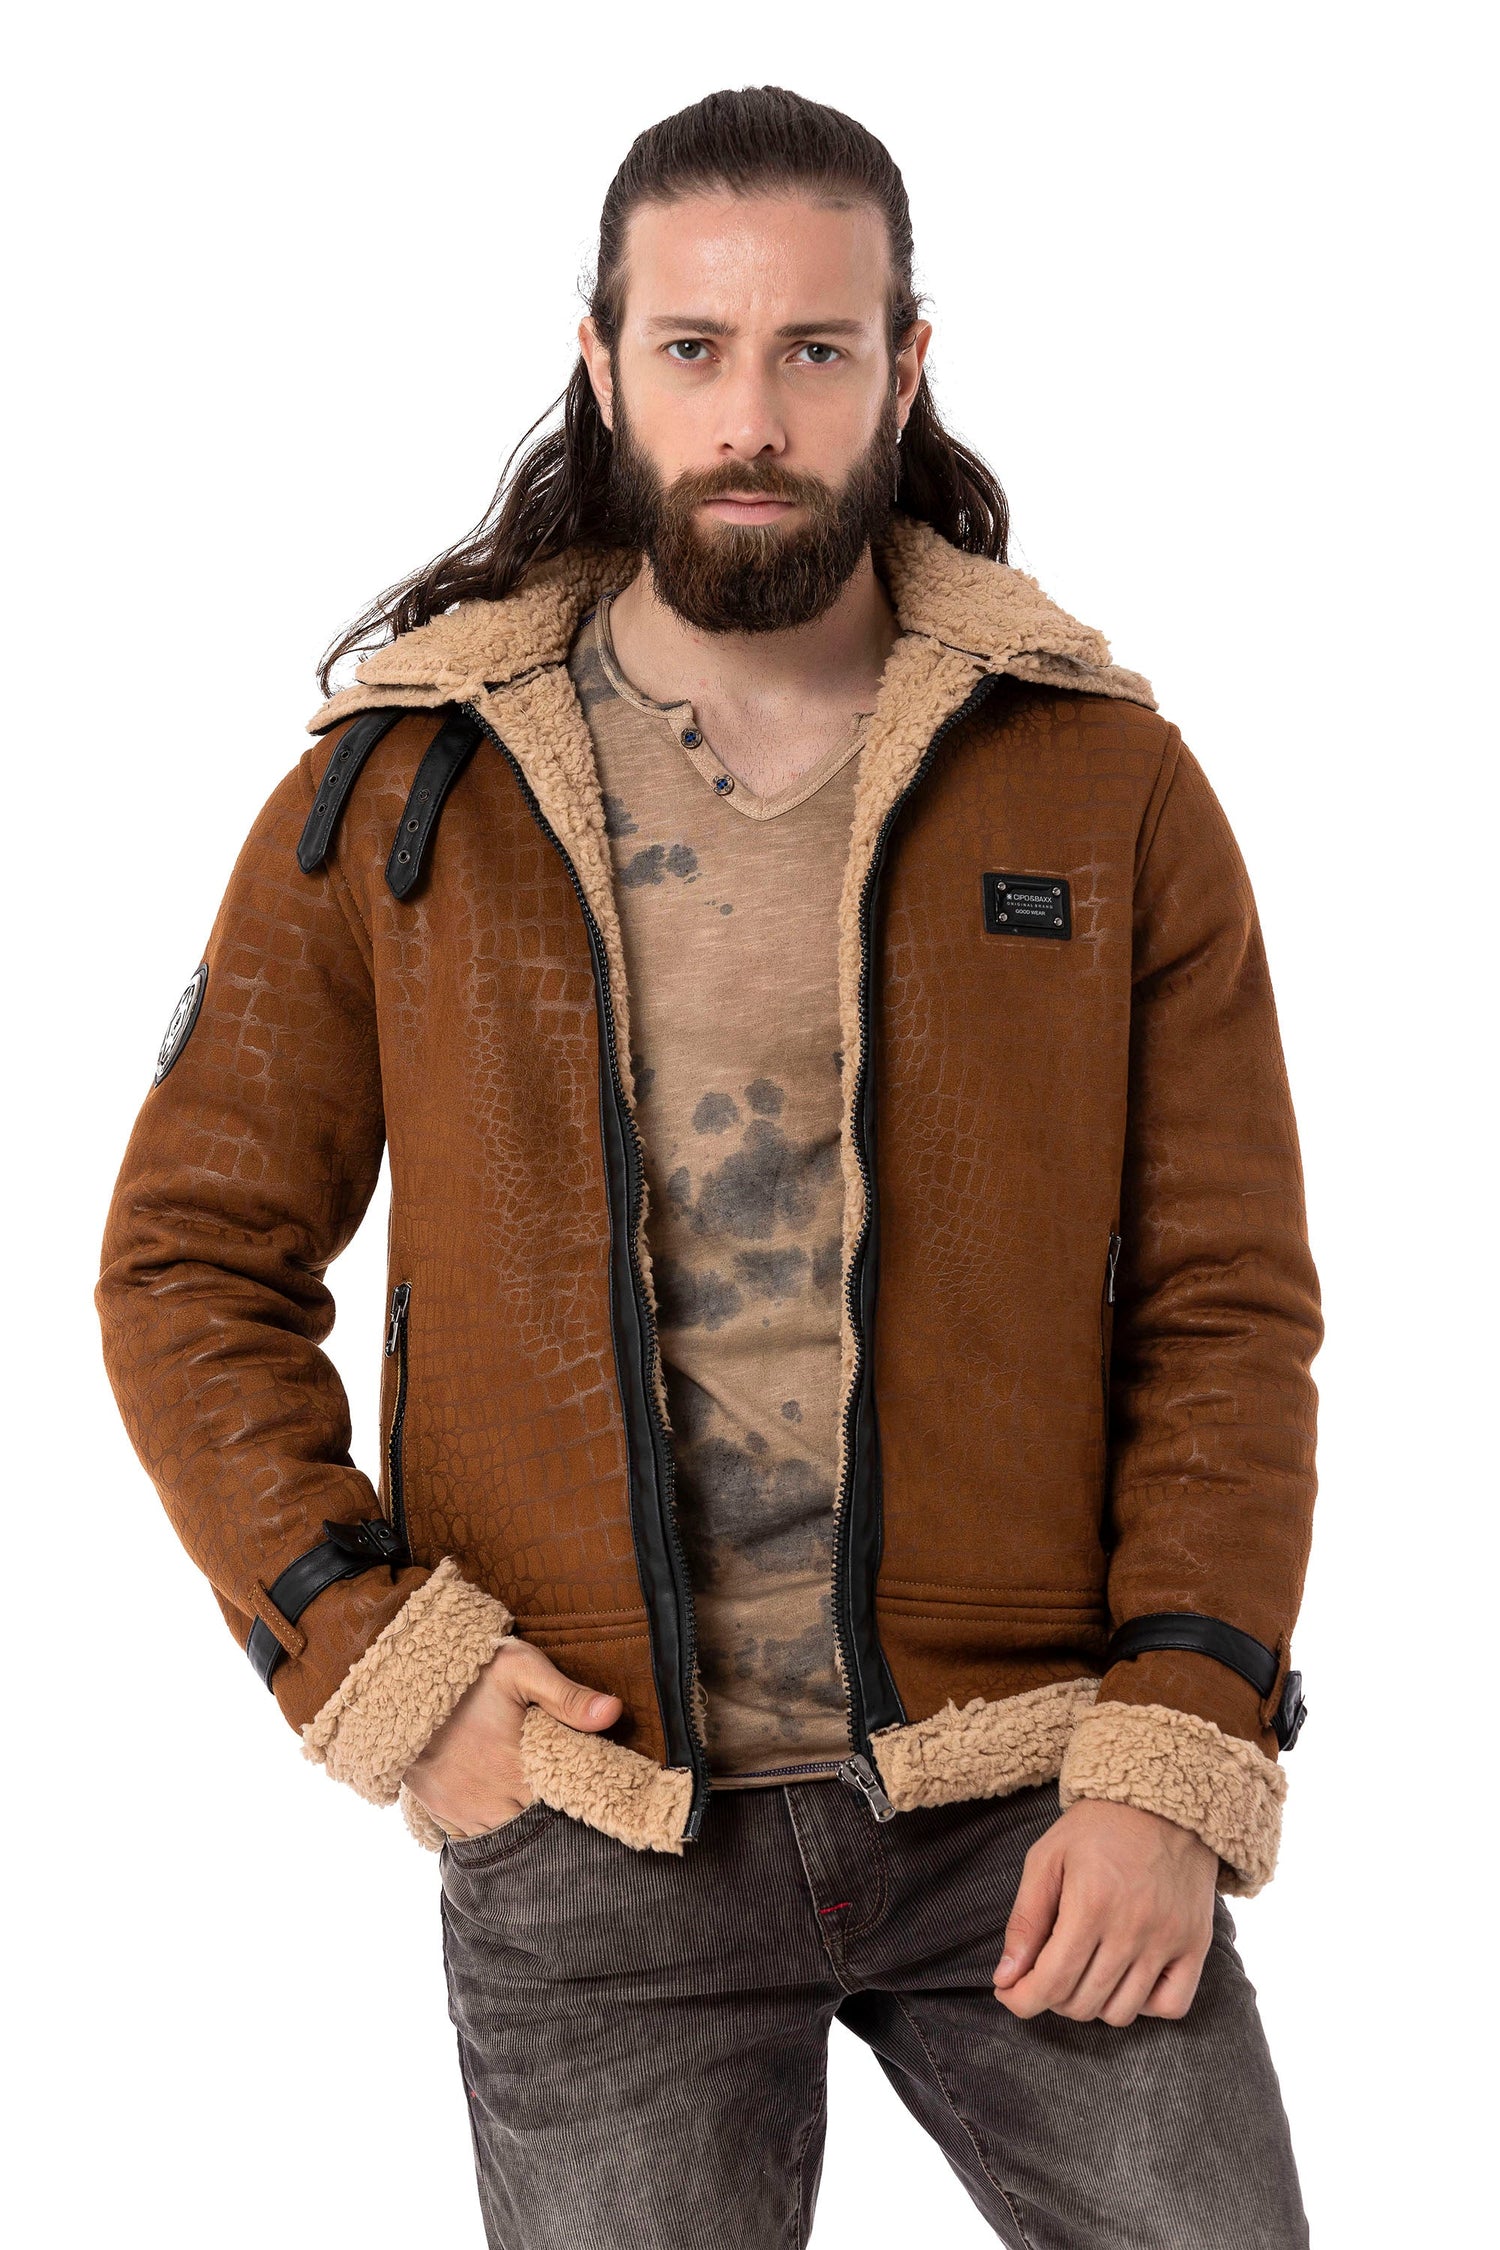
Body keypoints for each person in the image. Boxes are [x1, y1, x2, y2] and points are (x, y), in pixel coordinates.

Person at [95, 84, 1321, 2250]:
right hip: (598, 1822)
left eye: (813, 350)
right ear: (601, 362)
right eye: (694, 347)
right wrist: (371, 1656)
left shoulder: (1103, 781)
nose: (752, 416)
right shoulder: (406, 787)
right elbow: (189, 1262)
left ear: (904, 369)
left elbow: (1229, 1304)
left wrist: (1177, 1746)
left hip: (1034, 1795)